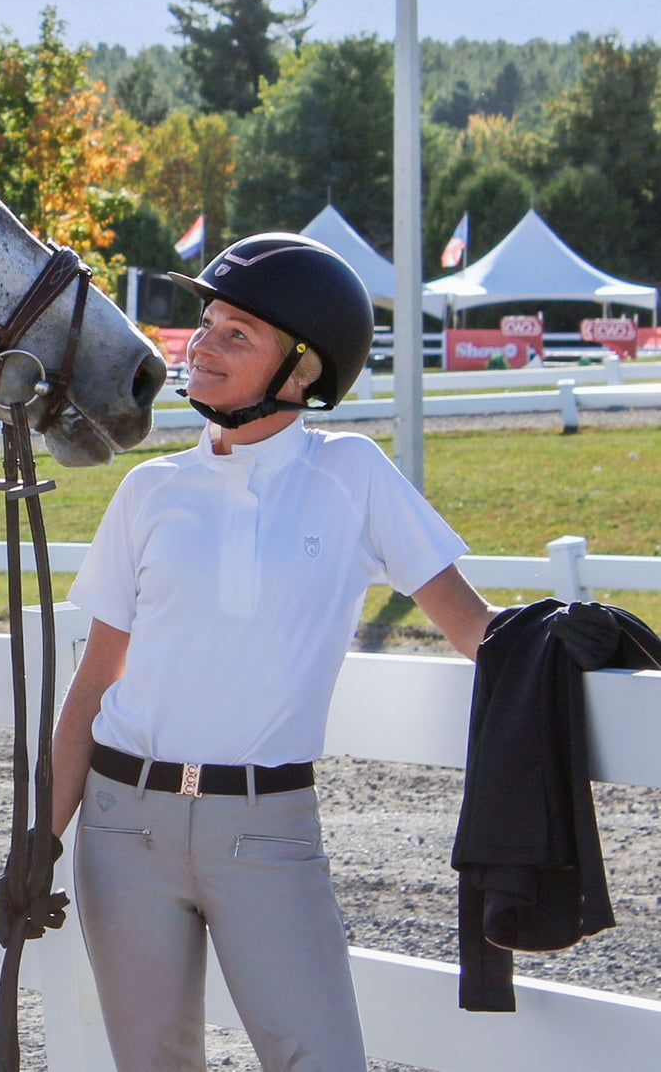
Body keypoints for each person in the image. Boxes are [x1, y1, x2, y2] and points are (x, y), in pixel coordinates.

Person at [48, 232, 500, 1072]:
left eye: (236, 334)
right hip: (122, 827)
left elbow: (475, 626)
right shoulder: (148, 491)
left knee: (321, 1059)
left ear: (300, 370)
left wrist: (565, 646)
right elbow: (94, 683)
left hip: (267, 831)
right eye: (207, 325)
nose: (203, 346)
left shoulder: (352, 475)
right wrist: (39, 841)